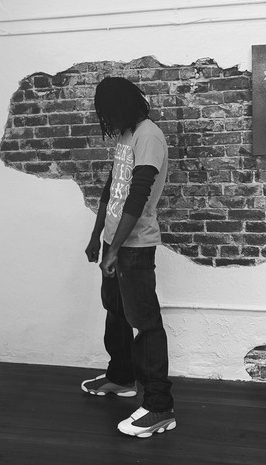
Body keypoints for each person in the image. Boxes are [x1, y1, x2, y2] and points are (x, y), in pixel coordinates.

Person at [80, 76, 175, 439]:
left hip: (135, 247)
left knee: (145, 323)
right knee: (116, 311)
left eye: (107, 112)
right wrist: (98, 237)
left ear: (121, 106)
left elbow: (138, 194)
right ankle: (121, 377)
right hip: (114, 242)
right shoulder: (125, 135)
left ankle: (159, 407)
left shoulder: (148, 136)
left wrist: (117, 249)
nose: (106, 120)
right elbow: (111, 190)